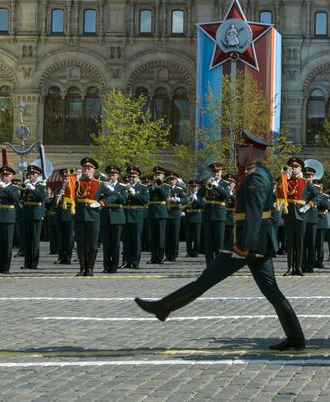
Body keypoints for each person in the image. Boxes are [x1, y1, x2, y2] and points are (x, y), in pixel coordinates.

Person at [135, 130, 305, 351]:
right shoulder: (254, 174)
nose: (238, 153)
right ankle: (296, 337)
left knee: (206, 280)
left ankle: (164, 307)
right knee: (272, 291)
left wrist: (242, 246)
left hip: (248, 243)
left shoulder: (256, 177)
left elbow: (254, 215)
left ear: (251, 153)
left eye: (242, 149)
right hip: (257, 243)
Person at [72, 158, 102, 276]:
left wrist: (101, 203)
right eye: (84, 168)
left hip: (93, 216)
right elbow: (69, 193)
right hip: (80, 216)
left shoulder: (99, 184)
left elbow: (113, 196)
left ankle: (90, 268)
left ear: (93, 170)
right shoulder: (78, 183)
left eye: (88, 169)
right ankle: (82, 268)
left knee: (93, 244)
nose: (86, 171)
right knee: (80, 244)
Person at [279, 158, 308, 276]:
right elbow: (280, 191)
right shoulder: (286, 181)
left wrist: (308, 206)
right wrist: (285, 176)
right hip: (289, 214)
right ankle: (290, 267)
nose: (294, 169)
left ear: (301, 169)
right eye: (292, 167)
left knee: (300, 242)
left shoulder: (305, 182)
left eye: (296, 167)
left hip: (301, 215)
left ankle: (299, 267)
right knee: (290, 243)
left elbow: (317, 196)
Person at [0, 166, 20, 273]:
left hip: (8, 217)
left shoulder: (14, 187)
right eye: (2, 175)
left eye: (6, 175)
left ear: (11, 176)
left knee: (7, 244)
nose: (4, 177)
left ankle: (6, 267)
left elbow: (15, 198)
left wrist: (5, 188)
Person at [98, 165, 127, 273]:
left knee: (115, 243)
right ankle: (106, 266)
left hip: (117, 216)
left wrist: (113, 191)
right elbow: (99, 197)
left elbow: (123, 200)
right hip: (105, 215)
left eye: (113, 175)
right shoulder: (103, 186)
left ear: (117, 176)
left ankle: (114, 266)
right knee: (106, 243)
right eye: (110, 175)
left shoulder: (122, 187)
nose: (111, 177)